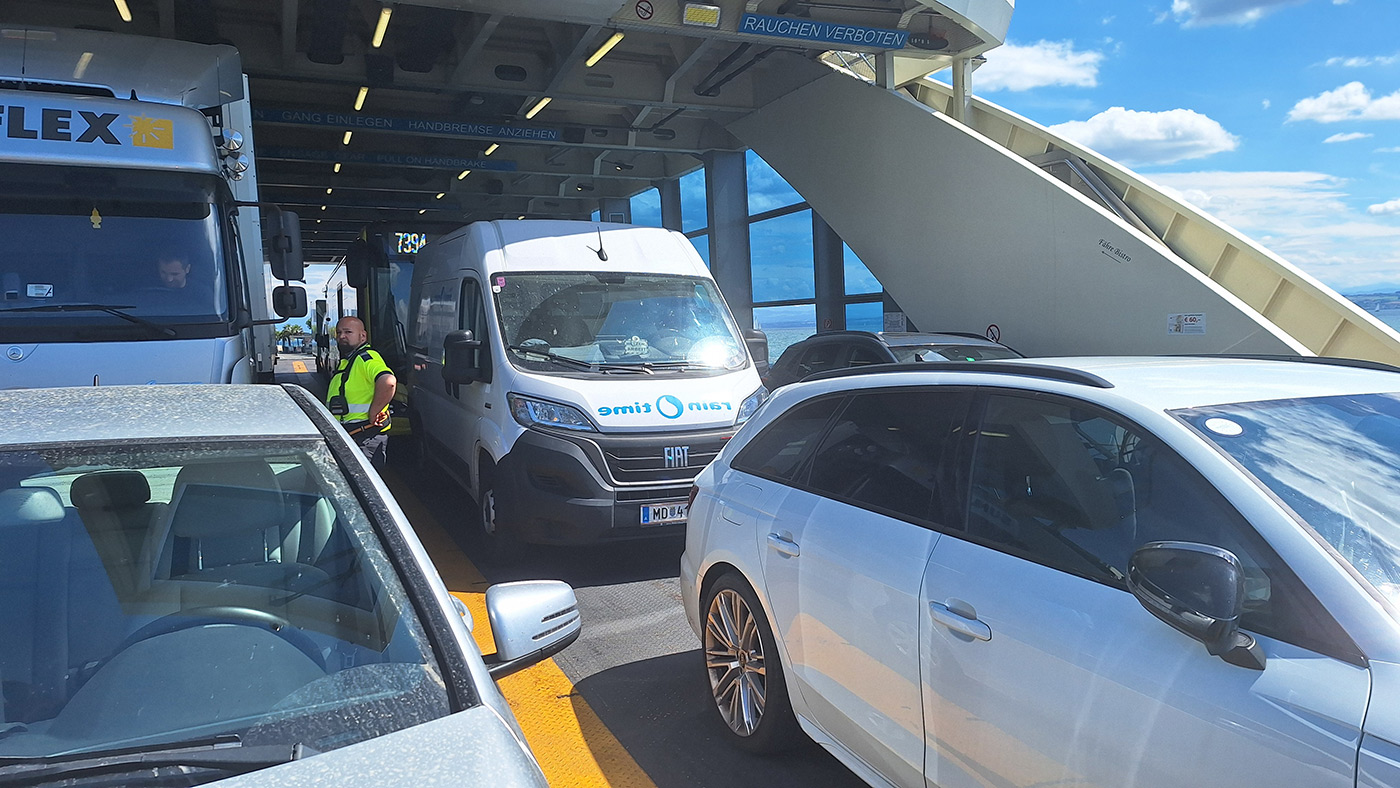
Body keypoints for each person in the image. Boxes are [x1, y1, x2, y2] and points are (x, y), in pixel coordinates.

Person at [325, 316, 397, 470]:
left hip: (365, 437)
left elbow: (388, 382)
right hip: (352, 436)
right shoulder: (349, 360)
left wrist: (375, 411)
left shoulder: (366, 358)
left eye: (348, 332)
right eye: (338, 333)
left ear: (362, 336)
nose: (341, 336)